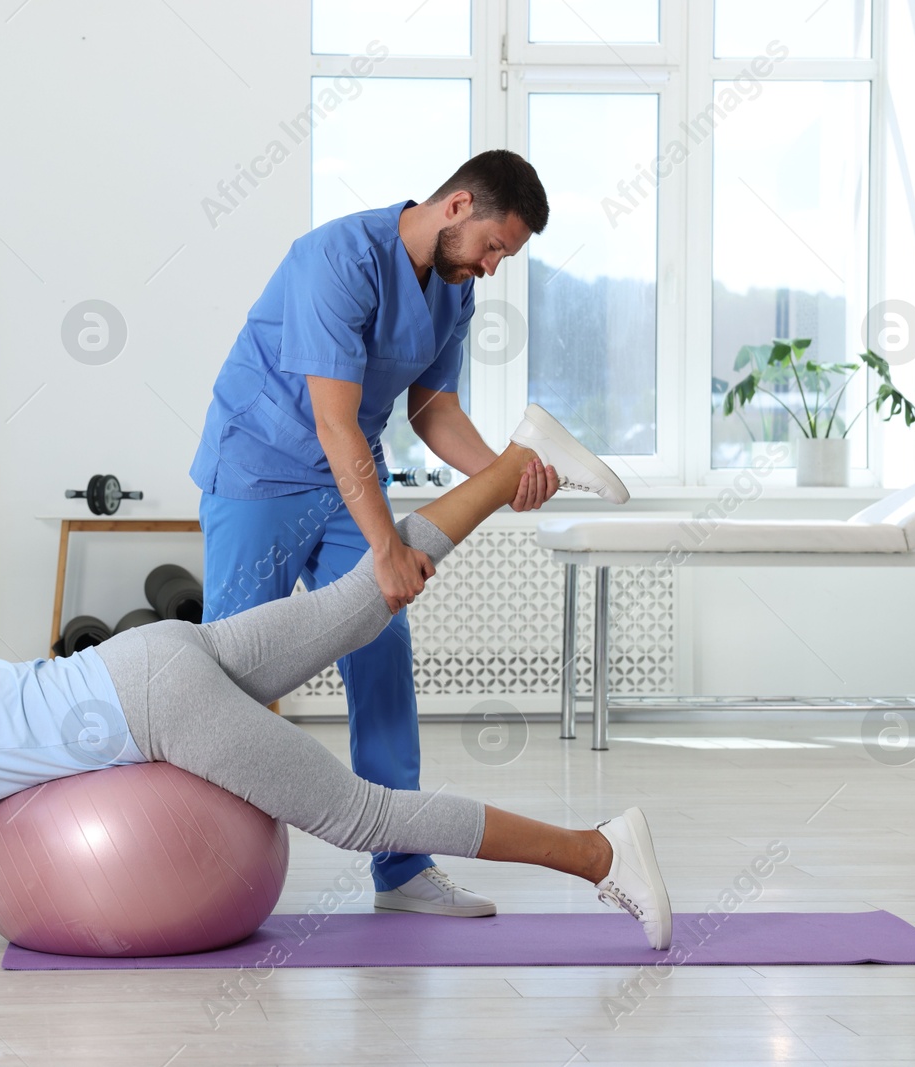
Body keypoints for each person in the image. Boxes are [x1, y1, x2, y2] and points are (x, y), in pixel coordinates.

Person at [0, 406, 666, 998]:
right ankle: (512, 463)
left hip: (149, 704)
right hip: (148, 659)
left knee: (363, 814)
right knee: (363, 595)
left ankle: (598, 853)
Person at [189, 149, 628, 917]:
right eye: (495, 246)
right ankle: (200, 851)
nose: (493, 268)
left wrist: (500, 475)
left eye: (507, 258)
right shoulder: (338, 257)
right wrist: (388, 545)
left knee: (381, 645)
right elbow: (331, 417)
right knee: (233, 669)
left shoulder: (452, 292)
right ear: (458, 207)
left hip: (346, 479)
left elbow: (432, 412)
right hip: (258, 469)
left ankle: (403, 868)